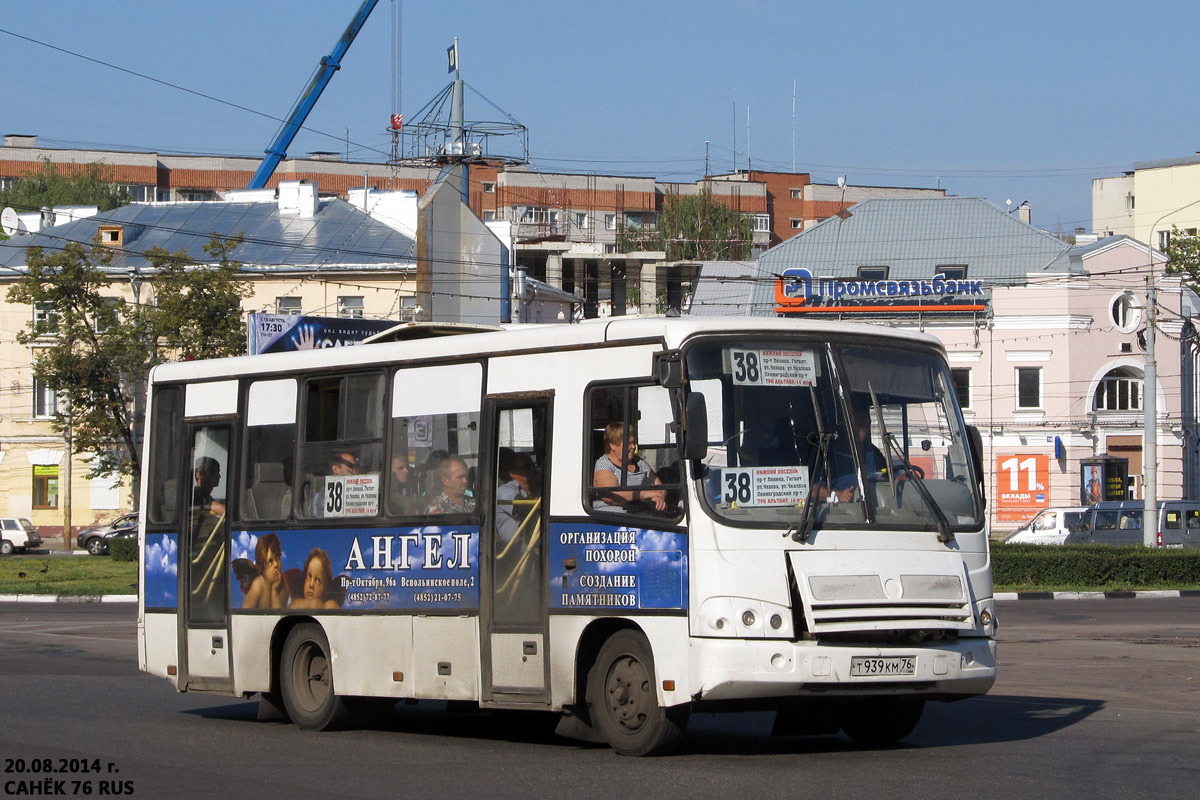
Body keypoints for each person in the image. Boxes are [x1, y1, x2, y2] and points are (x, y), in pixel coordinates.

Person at [815, 397, 886, 504]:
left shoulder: (873, 453)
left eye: (866, 426)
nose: (862, 431)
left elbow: (887, 474)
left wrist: (899, 478)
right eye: (858, 426)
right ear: (845, 425)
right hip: (841, 514)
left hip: (877, 511)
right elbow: (812, 489)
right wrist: (836, 494)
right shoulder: (828, 455)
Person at [592, 422, 667, 513]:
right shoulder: (604, 465)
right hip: (617, 518)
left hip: (644, 513)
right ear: (613, 445)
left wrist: (657, 498)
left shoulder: (639, 462)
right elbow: (611, 495)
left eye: (633, 443)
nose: (633, 447)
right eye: (628, 443)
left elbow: (660, 488)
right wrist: (645, 494)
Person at [496, 453, 536, 543]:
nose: (531, 471)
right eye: (526, 467)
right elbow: (519, 506)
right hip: (513, 550)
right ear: (512, 473)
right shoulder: (504, 490)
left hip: (534, 543)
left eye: (533, 466)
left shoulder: (535, 490)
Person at [242, 533, 288, 609]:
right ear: (262, 568)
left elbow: (279, 617)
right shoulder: (258, 585)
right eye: (270, 561)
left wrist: (274, 592)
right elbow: (243, 615)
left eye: (277, 557)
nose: (276, 564)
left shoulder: (284, 586)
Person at [308, 450, 358, 517]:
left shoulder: (359, 493)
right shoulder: (321, 497)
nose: (354, 471)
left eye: (355, 467)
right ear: (335, 469)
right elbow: (318, 523)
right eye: (350, 466)